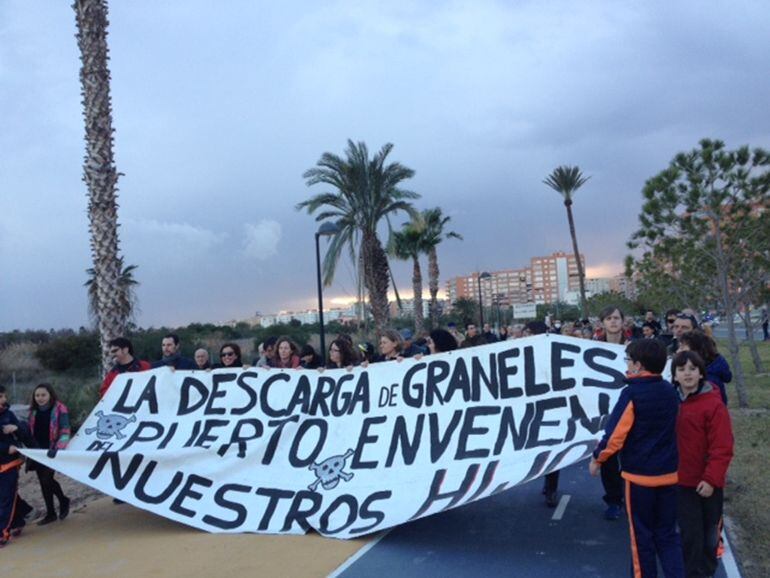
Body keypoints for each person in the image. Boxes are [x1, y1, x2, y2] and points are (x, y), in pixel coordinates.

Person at [589, 339, 684, 577]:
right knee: (668, 536)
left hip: (639, 477)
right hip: (670, 475)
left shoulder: (632, 394)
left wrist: (597, 458)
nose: (627, 365)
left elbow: (615, 436)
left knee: (641, 538)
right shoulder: (670, 392)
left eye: (628, 361)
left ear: (639, 365)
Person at [671, 351, 734, 578]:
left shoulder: (713, 405)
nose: (687, 373)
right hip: (680, 481)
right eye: (681, 369)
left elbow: (722, 447)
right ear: (675, 376)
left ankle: (706, 571)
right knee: (689, 534)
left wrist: (710, 479)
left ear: (700, 374)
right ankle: (692, 573)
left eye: (692, 369)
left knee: (709, 533)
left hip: (707, 484)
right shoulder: (669, 403)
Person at [593, 306, 628, 520]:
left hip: (631, 409)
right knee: (609, 458)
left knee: (631, 458)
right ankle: (614, 500)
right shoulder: (592, 348)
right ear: (603, 323)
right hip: (604, 412)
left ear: (623, 322)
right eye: (609, 318)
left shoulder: (635, 347)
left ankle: (630, 498)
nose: (613, 322)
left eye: (617, 318)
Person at [27, 384, 71, 525]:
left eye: (43, 395)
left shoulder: (60, 409)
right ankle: (50, 513)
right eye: (37, 395)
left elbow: (65, 430)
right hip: (37, 451)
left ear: (50, 395)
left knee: (47, 479)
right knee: (43, 482)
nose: (40, 398)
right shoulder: (33, 411)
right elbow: (29, 430)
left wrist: (58, 448)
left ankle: (63, 500)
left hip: (52, 450)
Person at [0, 385, 33, 547]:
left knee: (6, 497)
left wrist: (17, 428)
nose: (4, 400)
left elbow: (25, 432)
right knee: (8, 494)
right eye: (0, 397)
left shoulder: (8, 414)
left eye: (3, 396)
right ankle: (19, 517)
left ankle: (2, 532)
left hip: (9, 463)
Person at [677, 330, 732, 404]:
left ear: (696, 351)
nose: (678, 351)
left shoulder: (708, 383)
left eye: (682, 348)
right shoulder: (704, 372)